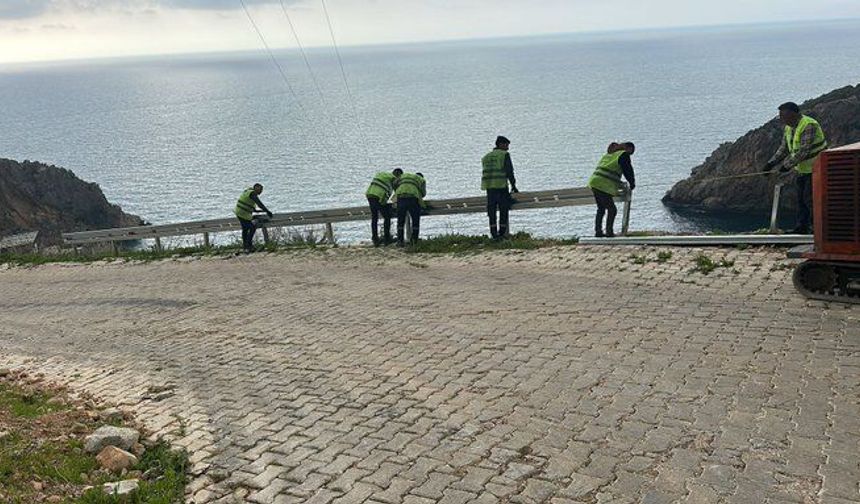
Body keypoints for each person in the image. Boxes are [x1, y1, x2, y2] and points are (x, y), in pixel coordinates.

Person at [763, 102, 828, 234]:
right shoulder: (789, 128)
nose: (781, 119)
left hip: (817, 168)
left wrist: (785, 166)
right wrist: (771, 163)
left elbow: (803, 151)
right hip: (802, 169)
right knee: (801, 200)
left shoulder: (809, 124)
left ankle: (818, 230)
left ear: (793, 114)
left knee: (810, 199)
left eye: (783, 116)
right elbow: (784, 148)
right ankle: (802, 228)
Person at [587, 142, 636, 238]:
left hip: (594, 182)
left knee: (601, 208)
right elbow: (628, 170)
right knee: (612, 209)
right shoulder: (623, 155)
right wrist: (632, 182)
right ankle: (609, 232)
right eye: (631, 152)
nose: (630, 155)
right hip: (604, 184)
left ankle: (598, 232)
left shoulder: (609, 155)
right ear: (628, 148)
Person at [481, 136, 519, 240]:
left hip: (489, 187)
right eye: (506, 145)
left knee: (492, 212)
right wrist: (514, 186)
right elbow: (509, 171)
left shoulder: (486, 157)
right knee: (503, 210)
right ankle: (502, 234)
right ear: (501, 144)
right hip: (501, 187)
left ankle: (494, 235)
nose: (508, 148)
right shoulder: (504, 155)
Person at [366, 169, 402, 246]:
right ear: (398, 175)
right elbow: (397, 192)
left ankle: (375, 239)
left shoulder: (383, 174)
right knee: (387, 217)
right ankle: (387, 239)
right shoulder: (394, 179)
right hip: (379, 196)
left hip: (370, 194)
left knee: (374, 217)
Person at [234, 183, 273, 253]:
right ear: (256, 188)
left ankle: (246, 246)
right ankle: (248, 246)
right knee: (252, 227)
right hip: (242, 213)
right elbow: (259, 203)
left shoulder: (248, 192)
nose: (261, 191)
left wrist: (257, 211)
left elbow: (248, 203)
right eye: (260, 189)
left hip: (241, 213)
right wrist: (267, 211)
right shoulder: (252, 193)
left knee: (245, 229)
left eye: (262, 190)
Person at [394, 172, 426, 246]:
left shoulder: (404, 175)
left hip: (401, 197)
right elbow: (423, 193)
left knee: (400, 220)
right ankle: (414, 240)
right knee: (415, 220)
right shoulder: (421, 179)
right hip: (412, 198)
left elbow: (395, 182)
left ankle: (400, 241)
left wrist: (398, 190)